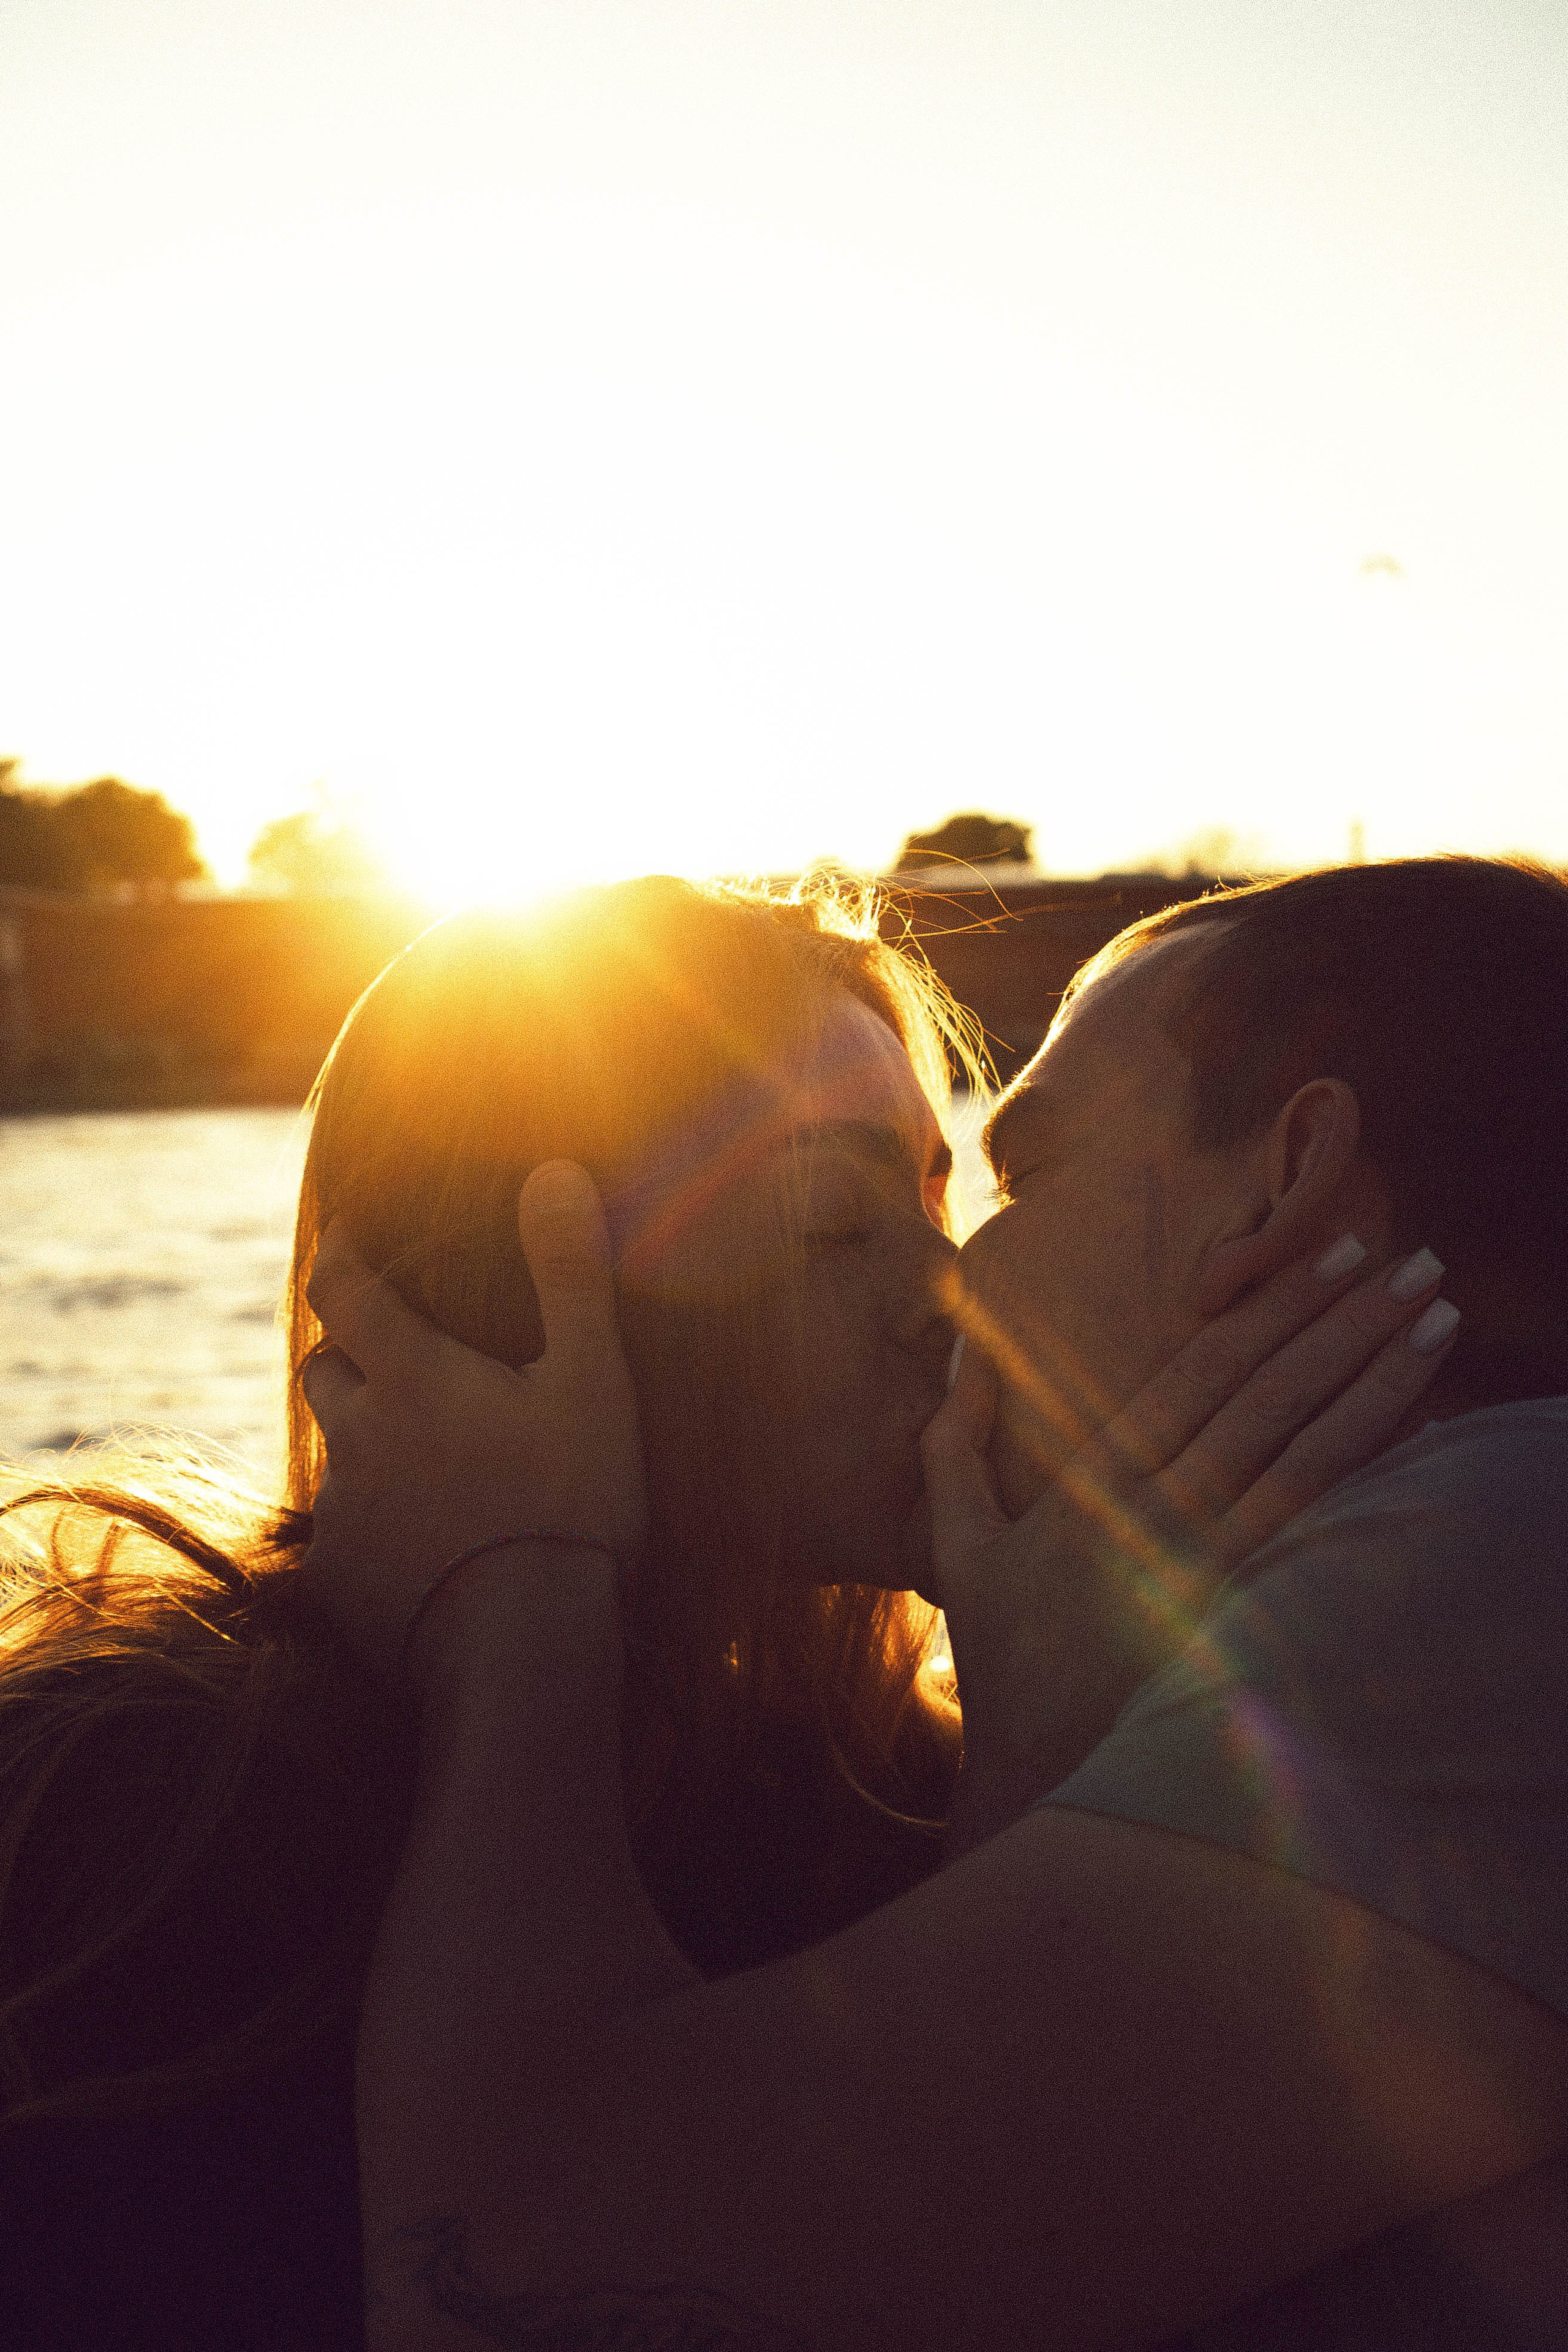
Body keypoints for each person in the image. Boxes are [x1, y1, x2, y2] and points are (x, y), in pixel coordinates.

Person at [0, 872, 1398, 2349]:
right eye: (826, 1228)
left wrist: (1034, 1785)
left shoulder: (894, 1787)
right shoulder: (137, 1820)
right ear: (517, 1301)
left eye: (938, 1197)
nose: (952, 1296)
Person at [302, 855, 1568, 2351]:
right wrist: (1032, 1751)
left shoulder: (1482, 1578)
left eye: (1009, 1176)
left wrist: (516, 1591)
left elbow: (530, 2286)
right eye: (836, 1220)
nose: (957, 1280)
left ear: (1284, 1177)